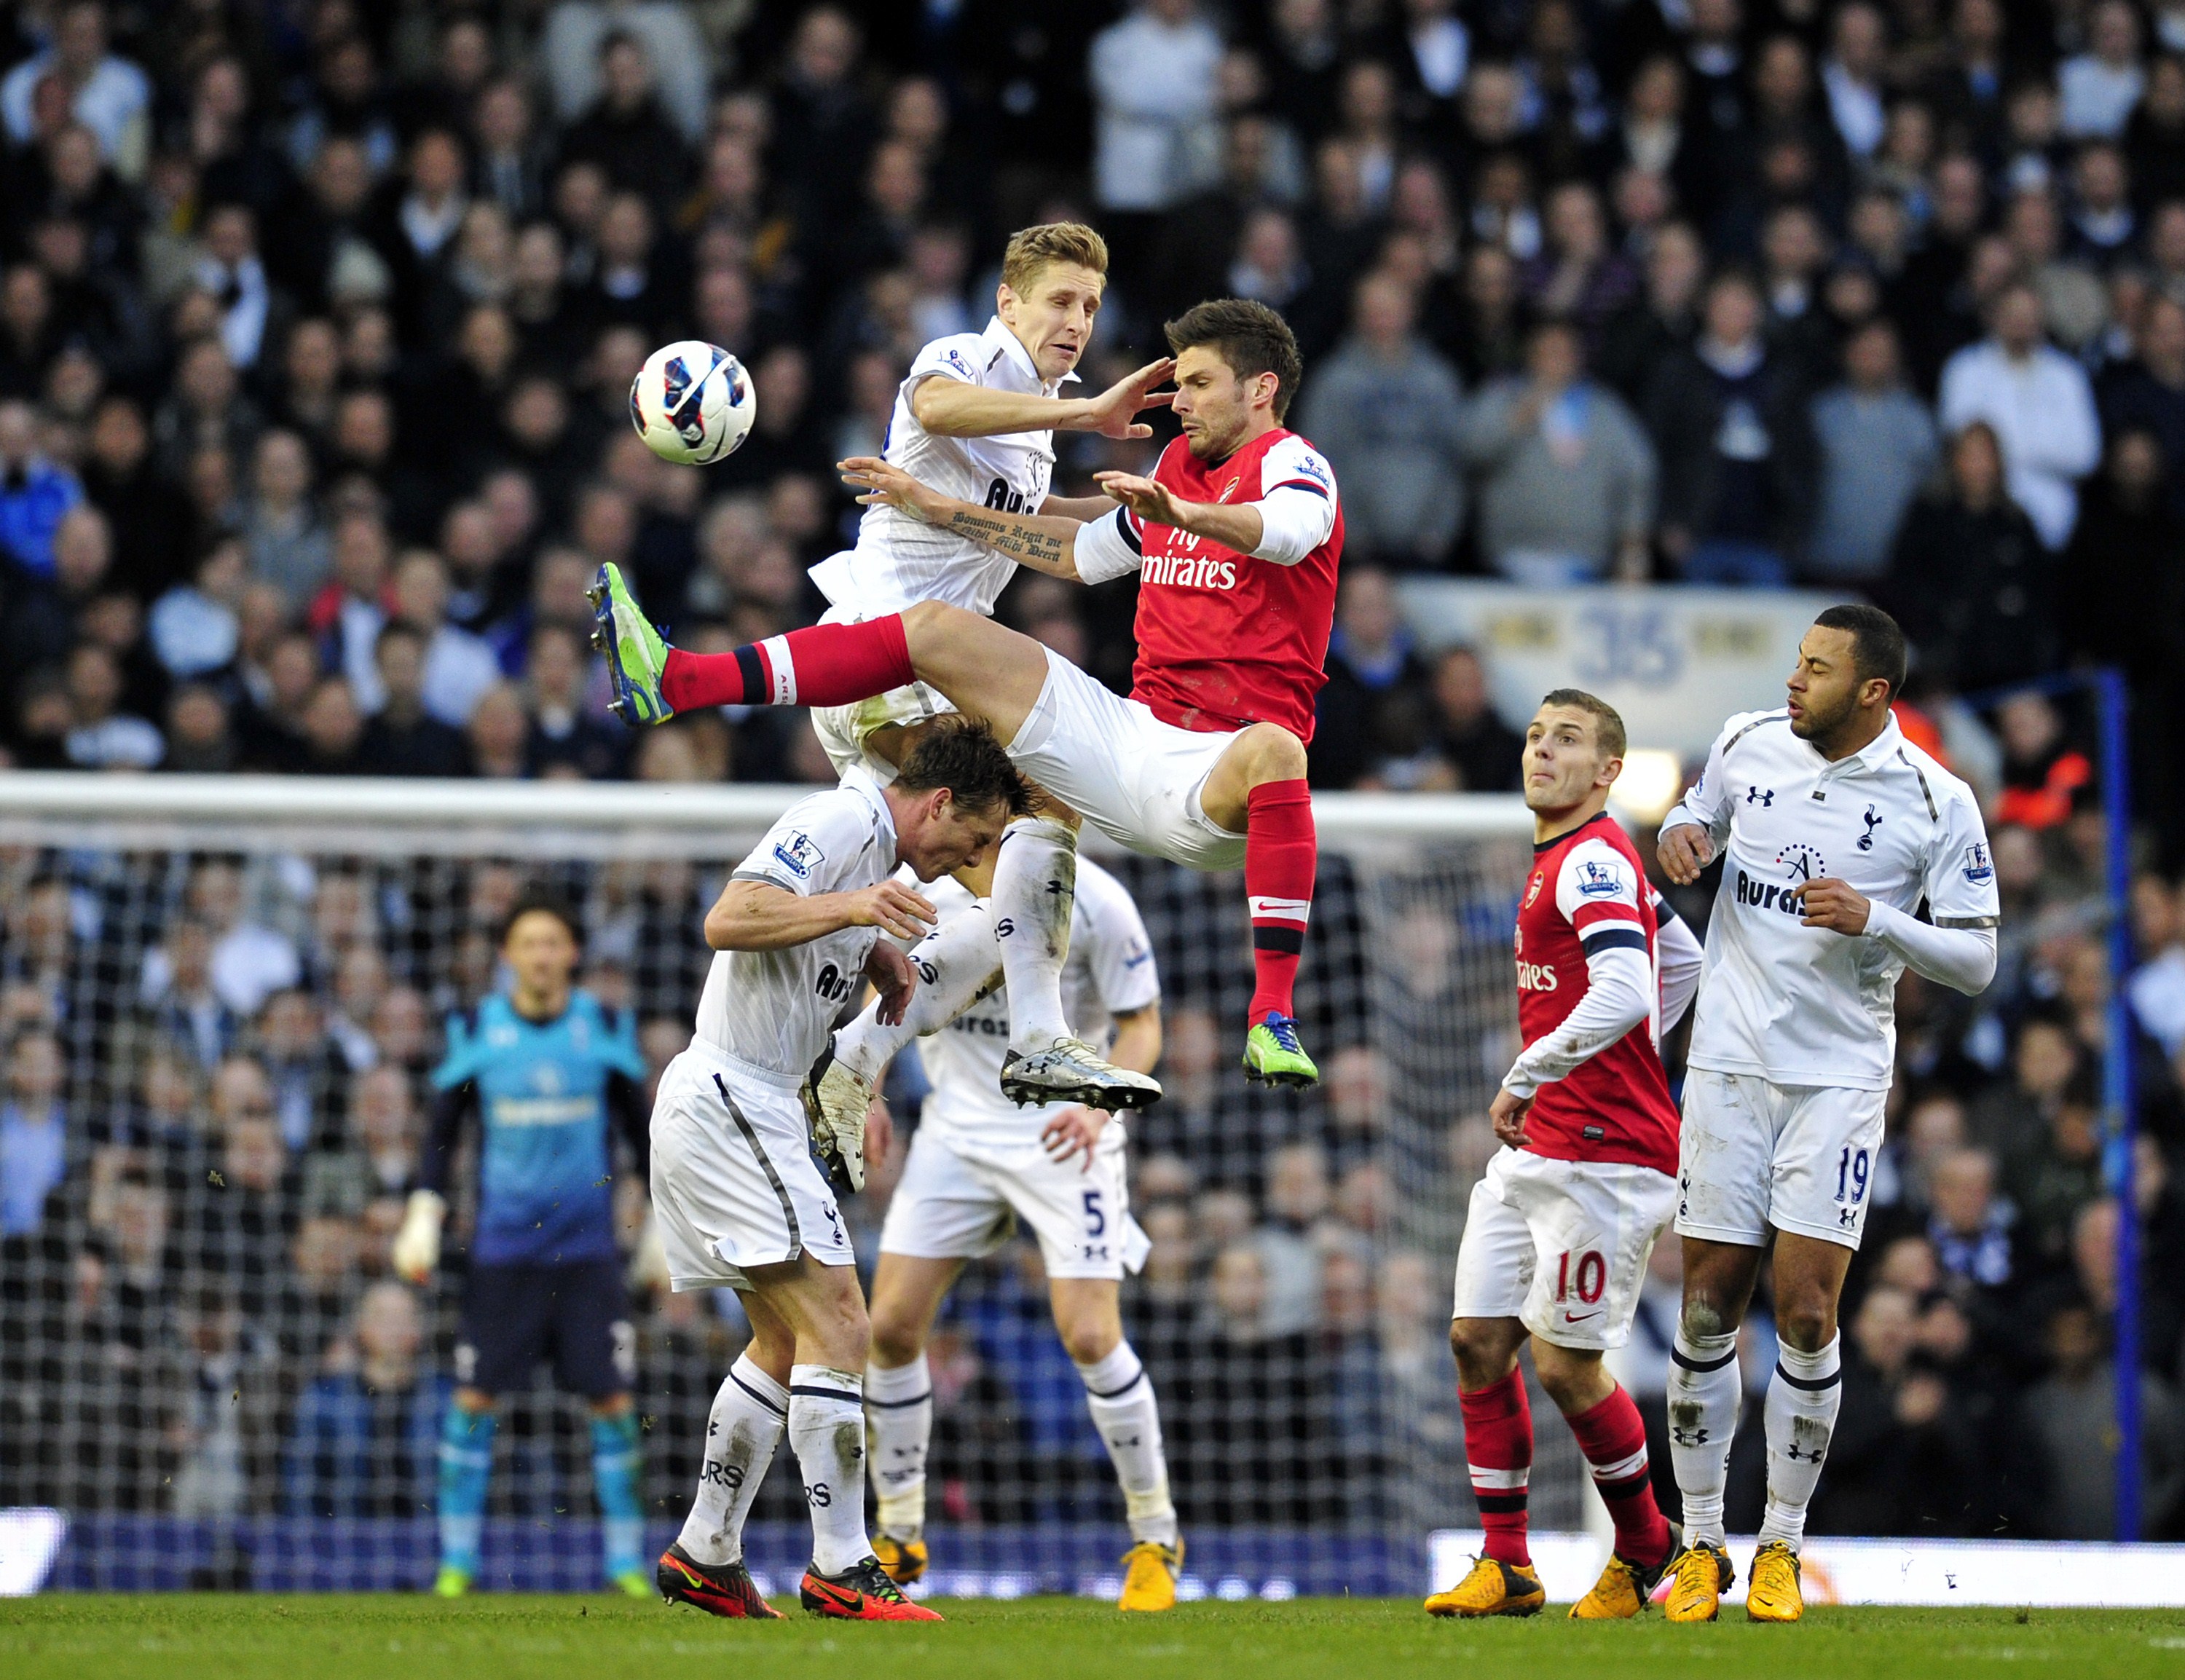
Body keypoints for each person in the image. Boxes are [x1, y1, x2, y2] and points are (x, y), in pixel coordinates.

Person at [597, 297, 1341, 1112]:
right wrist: (942, 509)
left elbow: (1289, 531)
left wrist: (1186, 515)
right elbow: (1082, 555)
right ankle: (680, 681)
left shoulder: (1293, 463)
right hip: (1131, 734)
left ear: (1261, 389)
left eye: (1200, 383)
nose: (1182, 402)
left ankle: (1271, 1013)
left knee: (1281, 750)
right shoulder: (1174, 472)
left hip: (1216, 776)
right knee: (936, 634)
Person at [633, 222, 1170, 1116]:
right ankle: (1019, 1042)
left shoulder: (1031, 435)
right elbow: (935, 409)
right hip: (878, 657)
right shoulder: (964, 359)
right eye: (1060, 301)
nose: (1077, 321)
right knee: (1033, 808)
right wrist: (1086, 416)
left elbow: (1057, 537)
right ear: (1008, 303)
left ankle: (848, 1066)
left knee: (1009, 890)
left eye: (1090, 306)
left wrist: (1160, 518)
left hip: (919, 682)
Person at [1656, 604, 2000, 1622]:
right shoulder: (1746, 740)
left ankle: (1782, 1547)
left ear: (1873, 692)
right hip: (1726, 1059)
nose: (1794, 680)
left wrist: (1878, 917)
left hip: (1838, 1078)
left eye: (1817, 668)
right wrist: (1682, 829)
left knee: (1806, 1311)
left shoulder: (1936, 800)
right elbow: (1696, 810)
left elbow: (1978, 955)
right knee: (1709, 1304)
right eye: (1797, 662)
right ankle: (1702, 1541)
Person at [649, 716, 1031, 1622]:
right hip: (734, 1097)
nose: (965, 860)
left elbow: (802, 956)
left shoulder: (876, 857)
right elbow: (730, 918)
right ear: (937, 802)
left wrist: (874, 953)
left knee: (786, 1342)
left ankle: (706, 1551)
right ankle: (843, 1565)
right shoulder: (840, 822)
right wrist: (855, 913)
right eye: (972, 839)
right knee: (845, 1324)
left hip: (750, 1101)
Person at [1428, 690, 1702, 1620]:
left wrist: (1533, 1071)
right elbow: (1682, 960)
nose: (1543, 751)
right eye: (1537, 735)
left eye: (1569, 740)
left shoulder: (1589, 858)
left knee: (1564, 1365)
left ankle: (1646, 1542)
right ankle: (1508, 1567)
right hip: (1545, 1145)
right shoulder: (1579, 855)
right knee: (1477, 1339)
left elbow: (1628, 985)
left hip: (1604, 1153)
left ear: (1609, 771)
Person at [840, 857, 1178, 1609]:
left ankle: (1156, 1537)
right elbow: (889, 984)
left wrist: (1097, 1106)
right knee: (890, 1328)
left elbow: (1143, 1025)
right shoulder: (929, 890)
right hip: (957, 1133)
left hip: (1065, 1135)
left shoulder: (1098, 901)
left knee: (1091, 1336)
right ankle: (898, 1531)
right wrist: (867, 1085)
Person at [390, 891, 653, 1598]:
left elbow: (640, 1131)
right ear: (507, 956)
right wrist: (423, 1209)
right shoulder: (476, 1026)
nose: (541, 956)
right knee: (474, 1400)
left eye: (553, 943)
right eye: (528, 944)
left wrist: (661, 1221)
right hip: (503, 1255)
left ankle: (627, 1563)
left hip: (589, 1255)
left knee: (612, 1403)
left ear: (572, 954)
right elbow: (443, 1132)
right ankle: (457, 1563)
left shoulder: (602, 1024)